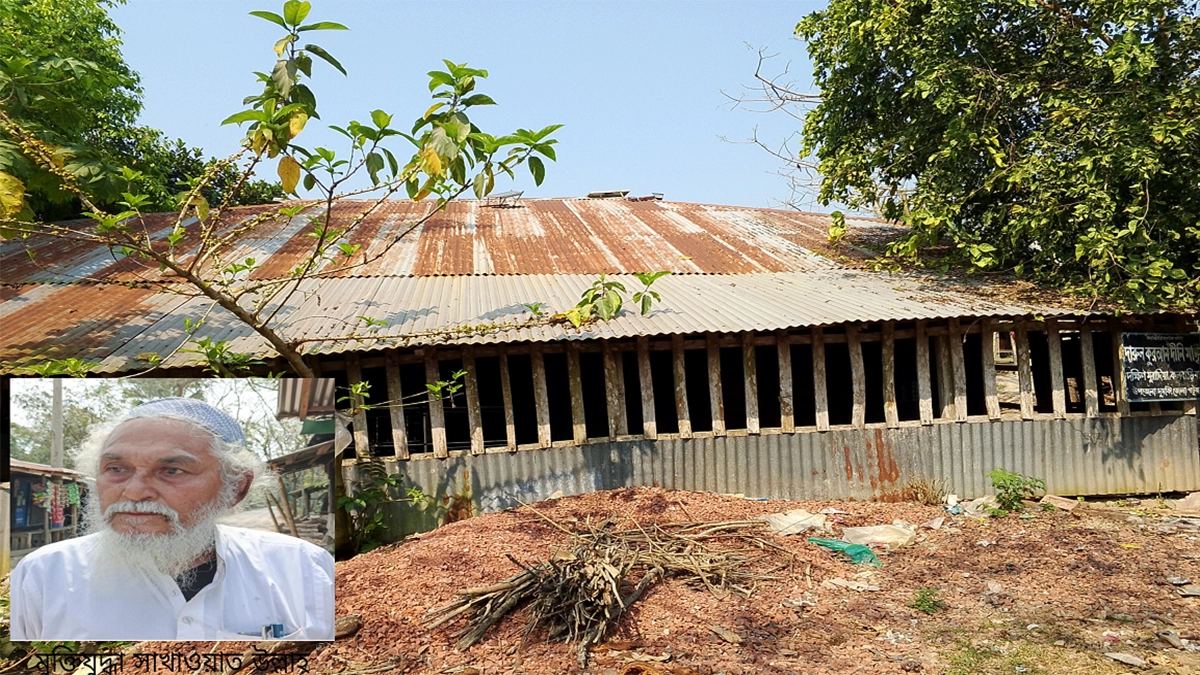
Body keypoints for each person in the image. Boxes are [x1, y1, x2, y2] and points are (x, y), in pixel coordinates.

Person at [10, 397, 335, 641]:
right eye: (116, 469)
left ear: (236, 488)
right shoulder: (43, 576)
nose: (135, 492)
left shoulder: (303, 569)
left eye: (171, 470)